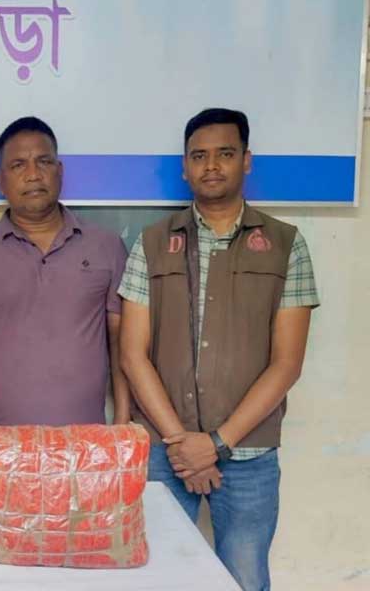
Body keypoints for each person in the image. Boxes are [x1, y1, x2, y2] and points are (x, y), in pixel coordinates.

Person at [118, 108, 319, 591]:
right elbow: (132, 354)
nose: (211, 166)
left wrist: (216, 443)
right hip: (165, 452)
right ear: (184, 167)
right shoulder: (151, 242)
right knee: (155, 579)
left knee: (245, 579)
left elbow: (286, 364)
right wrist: (182, 443)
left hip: (249, 455)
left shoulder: (285, 245)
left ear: (246, 160)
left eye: (225, 154)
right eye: (199, 156)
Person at [0, 116, 130, 486]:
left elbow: (121, 344)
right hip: (0, 452)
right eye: (18, 165)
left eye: (43, 162)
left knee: (82, 527)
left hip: (87, 450)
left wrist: (123, 426)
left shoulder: (107, 247)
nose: (33, 174)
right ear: (0, 180)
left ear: (60, 171)